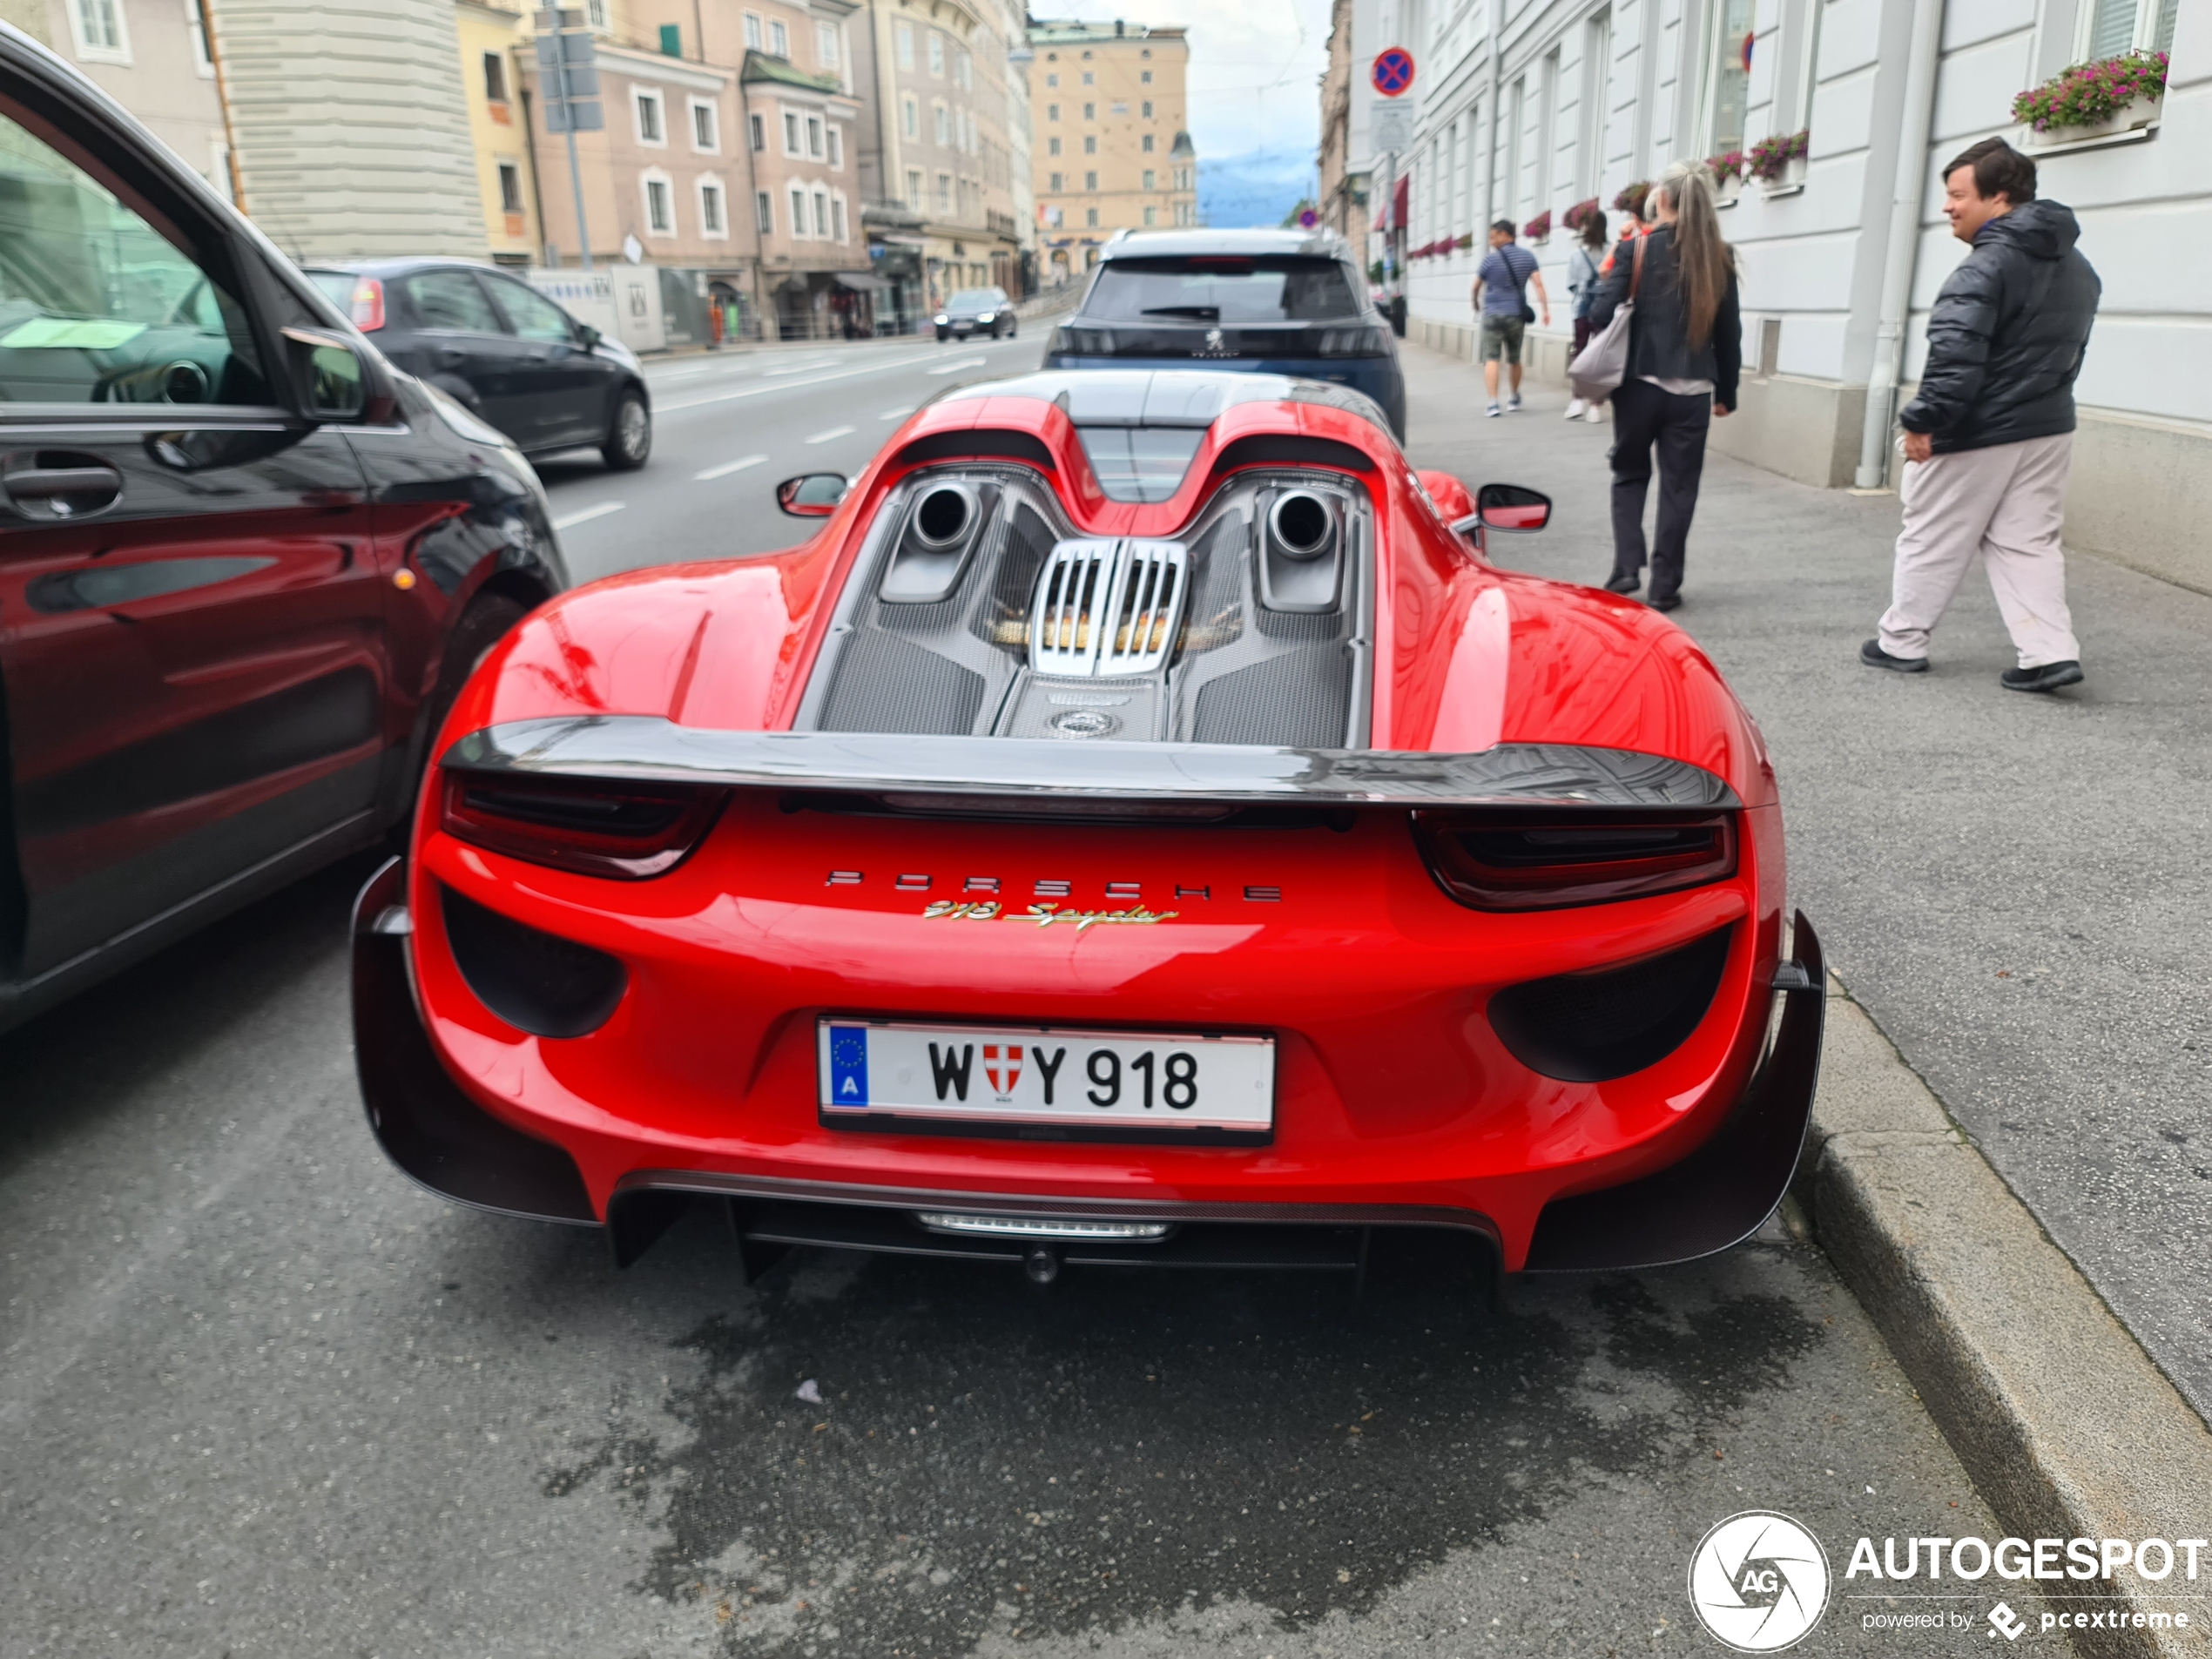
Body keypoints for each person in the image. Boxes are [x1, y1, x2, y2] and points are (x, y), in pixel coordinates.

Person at [1859, 138, 2100, 692]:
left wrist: (1922, 420)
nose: (1947, 207)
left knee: (1932, 535)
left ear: (1999, 198)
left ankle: (1901, 641)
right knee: (2029, 541)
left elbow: (1955, 357)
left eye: (1957, 195)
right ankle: (2048, 652)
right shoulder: (2077, 265)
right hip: (2048, 427)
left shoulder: (1984, 267)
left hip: (1977, 429)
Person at [1584, 162, 1741, 611]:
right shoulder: (1720, 256)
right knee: (1680, 487)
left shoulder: (1636, 249)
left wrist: (1614, 264)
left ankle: (1626, 568)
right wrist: (1727, 393)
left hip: (1638, 387)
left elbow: (1598, 314)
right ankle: (1665, 585)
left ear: (1663, 200)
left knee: (1630, 473)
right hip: (1693, 394)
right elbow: (1729, 333)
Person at [1471, 219, 1549, 417]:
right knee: (1514, 358)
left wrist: (1476, 304)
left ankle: (1493, 403)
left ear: (1505, 235)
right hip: (1515, 315)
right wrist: (1545, 310)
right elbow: (1538, 284)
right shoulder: (1527, 257)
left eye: (1493, 236)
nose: (1490, 241)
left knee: (1492, 359)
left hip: (1492, 315)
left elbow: (1475, 287)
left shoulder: (1489, 260)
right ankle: (1514, 397)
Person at [1564, 209, 1608, 421]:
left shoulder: (1575, 254)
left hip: (1581, 309)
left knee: (1580, 354)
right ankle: (1596, 406)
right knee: (1601, 356)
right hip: (1605, 309)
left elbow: (1571, 286)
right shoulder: (1612, 251)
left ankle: (1577, 400)